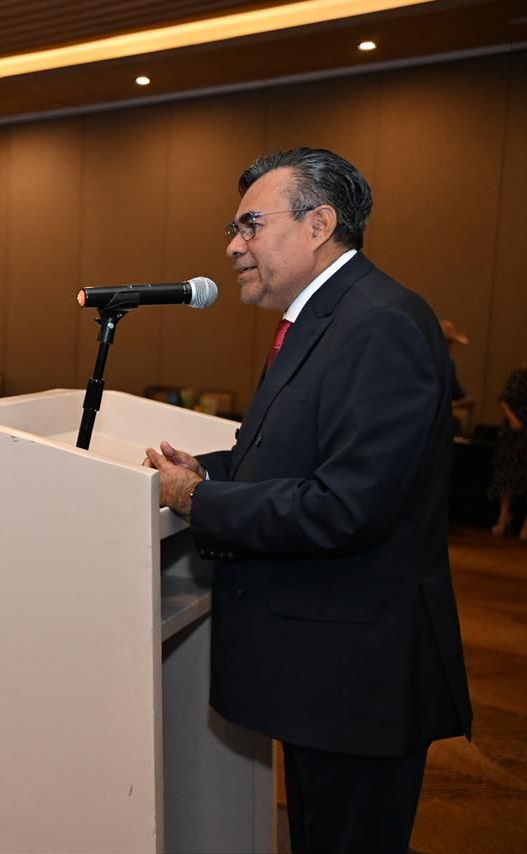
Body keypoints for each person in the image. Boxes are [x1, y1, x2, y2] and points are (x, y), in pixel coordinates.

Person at [143, 148, 471, 853]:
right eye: (233, 230)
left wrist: (200, 501)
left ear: (319, 224)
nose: (233, 247)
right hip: (325, 670)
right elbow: (288, 455)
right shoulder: (325, 319)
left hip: (357, 678)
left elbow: (347, 505)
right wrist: (204, 470)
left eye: (250, 225)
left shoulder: (379, 322)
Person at [488, 359, 527, 540]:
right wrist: (513, 420)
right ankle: (503, 519)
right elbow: (503, 399)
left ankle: (525, 525)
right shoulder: (518, 376)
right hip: (512, 432)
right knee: (507, 475)